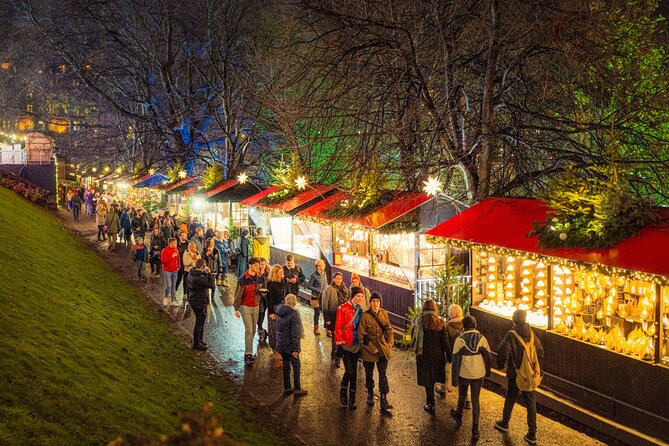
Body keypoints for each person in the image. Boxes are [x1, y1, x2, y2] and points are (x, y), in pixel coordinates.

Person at [494, 310, 544, 445]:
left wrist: (501, 364)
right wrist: (539, 369)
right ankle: (532, 433)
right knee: (531, 402)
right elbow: (540, 351)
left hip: (515, 373)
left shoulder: (512, 334)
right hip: (529, 375)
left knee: (510, 397)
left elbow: (503, 350)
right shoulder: (532, 333)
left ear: (513, 321)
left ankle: (504, 423)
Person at [450, 316, 492, 442]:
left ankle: (459, 415)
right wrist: (488, 372)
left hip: (464, 372)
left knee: (462, 395)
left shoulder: (460, 340)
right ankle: (475, 429)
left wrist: (454, 380)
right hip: (478, 373)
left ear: (463, 326)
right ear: (475, 325)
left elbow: (456, 361)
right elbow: (488, 357)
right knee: (475, 399)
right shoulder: (482, 339)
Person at [412, 299, 452, 414]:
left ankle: (431, 404)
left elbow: (413, 335)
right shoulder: (440, 323)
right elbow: (445, 343)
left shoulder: (419, 321)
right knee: (433, 378)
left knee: (427, 381)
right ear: (435, 309)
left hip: (423, 355)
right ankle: (431, 403)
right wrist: (449, 357)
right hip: (437, 356)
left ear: (423, 309)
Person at [358, 291, 394, 411]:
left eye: (377, 301)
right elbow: (361, 335)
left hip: (382, 349)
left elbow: (389, 329)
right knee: (369, 374)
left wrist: (390, 342)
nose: (375, 303)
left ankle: (384, 399)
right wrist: (370, 348)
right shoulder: (365, 316)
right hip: (369, 351)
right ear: (370, 303)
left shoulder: (384, 314)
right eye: (373, 301)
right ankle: (370, 394)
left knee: (383, 374)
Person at [233, 257, 267, 366]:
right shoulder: (243, 279)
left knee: (253, 331)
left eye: (259, 265)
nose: (258, 267)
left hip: (256, 306)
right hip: (245, 306)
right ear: (250, 265)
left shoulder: (260, 278)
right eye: (256, 265)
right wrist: (236, 309)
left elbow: (263, 291)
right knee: (249, 329)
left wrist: (263, 292)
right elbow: (238, 295)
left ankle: (249, 350)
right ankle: (248, 354)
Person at [335, 288, 364, 409]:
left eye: (361, 296)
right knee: (350, 371)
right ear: (352, 296)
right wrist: (339, 344)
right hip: (346, 344)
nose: (360, 298)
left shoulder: (360, 310)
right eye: (358, 296)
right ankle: (343, 390)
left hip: (356, 345)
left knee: (354, 374)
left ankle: (352, 398)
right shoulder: (342, 308)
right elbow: (338, 326)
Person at [275, 293, 307, 397]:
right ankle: (297, 388)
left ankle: (287, 387)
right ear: (295, 302)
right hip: (290, 346)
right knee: (296, 366)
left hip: (281, 344)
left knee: (286, 366)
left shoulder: (279, 312)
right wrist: (296, 349)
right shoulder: (294, 314)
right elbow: (295, 334)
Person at [187, 258, 216, 351]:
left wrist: (204, 273)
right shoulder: (199, 278)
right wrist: (208, 274)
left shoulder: (191, 272)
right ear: (203, 266)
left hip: (193, 299)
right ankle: (196, 343)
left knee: (201, 321)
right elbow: (211, 285)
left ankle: (200, 340)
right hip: (199, 301)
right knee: (199, 322)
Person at [322, 272, 349, 366]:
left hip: (343, 318)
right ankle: (336, 356)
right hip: (333, 317)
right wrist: (327, 319)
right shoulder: (328, 289)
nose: (338, 280)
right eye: (337, 278)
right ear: (333, 279)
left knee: (342, 337)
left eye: (340, 279)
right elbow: (324, 305)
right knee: (335, 337)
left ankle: (338, 354)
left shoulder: (345, 290)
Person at [267, 264, 288, 369]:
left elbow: (288, 295)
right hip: (275, 309)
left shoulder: (284, 282)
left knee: (283, 331)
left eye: (281, 272)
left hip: (284, 309)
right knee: (274, 331)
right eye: (279, 272)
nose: (281, 274)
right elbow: (269, 299)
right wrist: (271, 312)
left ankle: (282, 351)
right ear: (275, 273)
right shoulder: (270, 284)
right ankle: (276, 354)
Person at [307, 259, 327, 335]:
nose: (324, 265)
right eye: (323, 265)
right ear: (318, 266)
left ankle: (327, 329)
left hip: (324, 296)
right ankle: (316, 329)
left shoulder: (324, 273)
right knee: (317, 312)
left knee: (325, 312)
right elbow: (309, 286)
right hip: (315, 297)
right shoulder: (313, 275)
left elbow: (326, 283)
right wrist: (319, 290)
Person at [161, 238, 181, 307]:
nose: (176, 244)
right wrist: (171, 257)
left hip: (175, 270)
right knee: (169, 286)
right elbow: (163, 261)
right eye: (175, 243)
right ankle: (165, 297)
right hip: (167, 270)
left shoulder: (176, 250)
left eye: (176, 243)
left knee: (173, 286)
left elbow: (178, 258)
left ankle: (173, 301)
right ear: (171, 243)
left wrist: (178, 265)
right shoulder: (165, 250)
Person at [256, 257, 271, 344]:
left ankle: (261, 331)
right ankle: (261, 330)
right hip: (259, 297)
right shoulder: (256, 274)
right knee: (259, 314)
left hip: (266, 297)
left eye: (264, 264)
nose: (263, 266)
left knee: (262, 313)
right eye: (261, 264)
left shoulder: (269, 273)